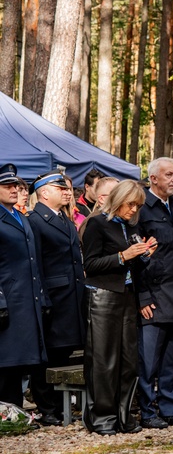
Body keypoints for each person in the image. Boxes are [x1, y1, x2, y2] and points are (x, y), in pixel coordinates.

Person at [81, 180, 156, 435]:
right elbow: (90, 265)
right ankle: (102, 418)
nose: (134, 210)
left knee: (128, 361)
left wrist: (143, 255)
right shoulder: (96, 223)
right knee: (104, 361)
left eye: (138, 206)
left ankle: (124, 416)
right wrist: (124, 256)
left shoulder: (130, 226)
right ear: (118, 199)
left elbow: (132, 265)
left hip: (126, 295)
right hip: (102, 297)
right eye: (130, 204)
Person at [134, 158, 173, 429]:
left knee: (172, 358)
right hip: (155, 298)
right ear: (153, 179)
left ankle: (170, 409)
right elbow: (136, 259)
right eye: (168, 174)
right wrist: (143, 297)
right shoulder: (141, 210)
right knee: (149, 362)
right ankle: (147, 412)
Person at [27, 172, 85, 426]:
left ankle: (58, 405)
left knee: (63, 350)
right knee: (48, 353)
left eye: (67, 187)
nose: (66, 191)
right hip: (53, 296)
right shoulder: (36, 221)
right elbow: (36, 264)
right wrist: (42, 298)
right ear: (43, 192)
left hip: (70, 295)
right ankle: (46, 406)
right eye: (59, 187)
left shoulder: (64, 218)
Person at [0, 164, 47, 407]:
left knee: (17, 361)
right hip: (7, 299)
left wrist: (42, 297)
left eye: (16, 185)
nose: (14, 189)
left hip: (26, 299)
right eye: (6, 186)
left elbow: (32, 260)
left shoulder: (19, 216)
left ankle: (14, 411)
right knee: (6, 360)